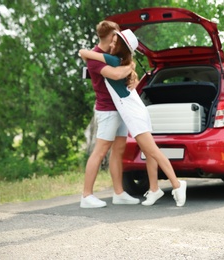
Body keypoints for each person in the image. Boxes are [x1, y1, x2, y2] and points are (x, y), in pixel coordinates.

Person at [79, 29, 187, 207]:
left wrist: (85, 52)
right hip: (134, 113)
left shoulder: (116, 62)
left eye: (115, 42)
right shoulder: (122, 63)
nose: (111, 45)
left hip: (134, 115)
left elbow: (110, 68)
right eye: (111, 41)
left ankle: (177, 184)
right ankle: (154, 189)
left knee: (153, 152)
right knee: (150, 152)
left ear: (122, 47)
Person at [80, 21, 140, 208]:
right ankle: (86, 196)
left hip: (120, 108)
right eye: (117, 34)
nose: (118, 37)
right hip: (107, 111)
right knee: (100, 152)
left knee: (118, 150)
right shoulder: (95, 58)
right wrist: (130, 67)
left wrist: (133, 74)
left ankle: (119, 193)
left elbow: (126, 73)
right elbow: (115, 75)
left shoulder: (112, 54)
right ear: (112, 34)